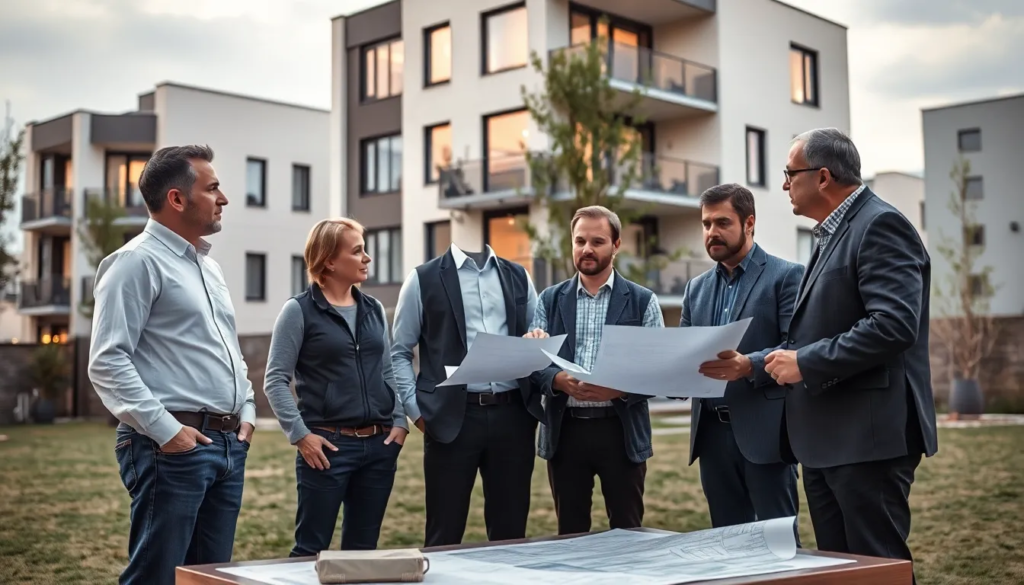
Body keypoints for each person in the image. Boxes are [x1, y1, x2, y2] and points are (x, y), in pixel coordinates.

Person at [767, 128, 938, 579]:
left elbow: (893, 325)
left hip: (868, 441)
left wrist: (804, 362)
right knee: (841, 572)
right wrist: (752, 363)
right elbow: (822, 327)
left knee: (877, 569)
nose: (785, 184)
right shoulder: (832, 232)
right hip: (829, 442)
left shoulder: (880, 224)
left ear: (822, 177)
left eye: (790, 173)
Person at [88, 145, 256, 585]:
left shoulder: (209, 268)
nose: (224, 198)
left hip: (226, 446)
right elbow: (108, 360)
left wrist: (249, 413)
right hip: (171, 448)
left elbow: (227, 348)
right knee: (156, 578)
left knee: (210, 578)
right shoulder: (134, 263)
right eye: (213, 187)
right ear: (177, 199)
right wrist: (169, 433)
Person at [263, 218, 409, 556]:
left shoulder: (372, 309)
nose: (367, 258)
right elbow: (275, 379)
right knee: (310, 550)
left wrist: (399, 422)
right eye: (357, 251)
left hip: (378, 446)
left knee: (362, 552)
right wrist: (300, 435)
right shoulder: (298, 311)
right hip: (327, 449)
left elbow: (387, 369)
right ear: (329, 260)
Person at [525, 205, 663, 535]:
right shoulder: (549, 299)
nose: (587, 249)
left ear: (616, 245)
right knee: (570, 533)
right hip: (566, 431)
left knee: (628, 531)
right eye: (580, 240)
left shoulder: (643, 301)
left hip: (621, 430)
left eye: (597, 241)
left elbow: (659, 367)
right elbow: (533, 361)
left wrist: (620, 389)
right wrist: (558, 381)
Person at [391, 241, 540, 547]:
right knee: (444, 534)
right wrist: (416, 412)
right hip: (449, 420)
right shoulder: (422, 279)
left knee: (511, 535)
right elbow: (398, 352)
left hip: (513, 418)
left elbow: (536, 337)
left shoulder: (519, 276)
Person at [680, 184, 804, 538]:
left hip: (764, 436)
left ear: (749, 223)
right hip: (711, 438)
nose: (712, 233)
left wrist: (748, 365)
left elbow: (796, 346)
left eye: (722, 222)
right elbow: (683, 352)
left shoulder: (785, 276)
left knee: (778, 547)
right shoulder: (695, 289)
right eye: (706, 224)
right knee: (727, 547)